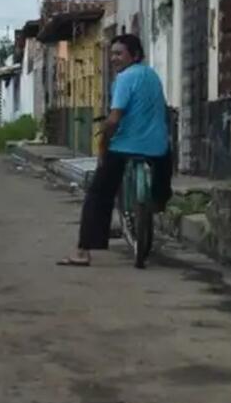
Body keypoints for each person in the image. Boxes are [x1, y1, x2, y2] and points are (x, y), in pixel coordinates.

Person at [59, 34, 170, 267]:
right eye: (112, 54)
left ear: (135, 55)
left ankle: (82, 251)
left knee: (98, 194)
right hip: (156, 147)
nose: (113, 59)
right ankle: (158, 202)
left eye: (119, 53)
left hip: (124, 146)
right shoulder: (152, 76)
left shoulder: (124, 78)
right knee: (164, 169)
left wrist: (102, 146)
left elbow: (114, 119)